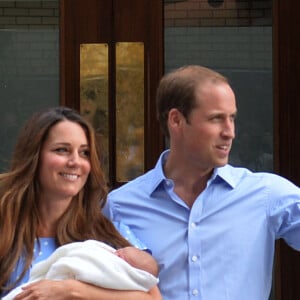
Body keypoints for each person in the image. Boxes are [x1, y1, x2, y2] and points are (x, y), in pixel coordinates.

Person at [104, 65, 300, 300]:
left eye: (232, 118)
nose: (230, 132)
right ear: (176, 120)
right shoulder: (119, 207)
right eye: (216, 119)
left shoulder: (266, 195)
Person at [0, 106, 162, 300]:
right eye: (62, 150)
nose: (75, 161)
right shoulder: (6, 231)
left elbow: (152, 298)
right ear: (34, 156)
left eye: (84, 153)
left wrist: (70, 290)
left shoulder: (106, 234)